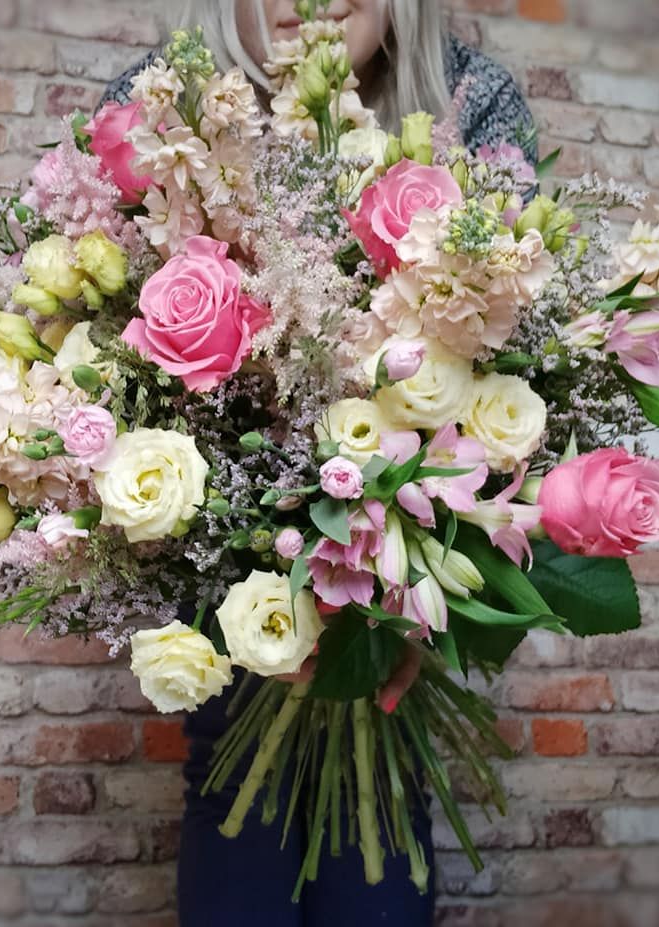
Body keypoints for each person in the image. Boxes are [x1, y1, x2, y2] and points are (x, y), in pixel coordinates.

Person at [98, 2, 537, 924]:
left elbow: (524, 349)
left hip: (403, 575)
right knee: (238, 793)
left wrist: (406, 604)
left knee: (379, 790)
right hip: (226, 573)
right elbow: (102, 352)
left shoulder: (474, 99)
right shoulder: (160, 106)